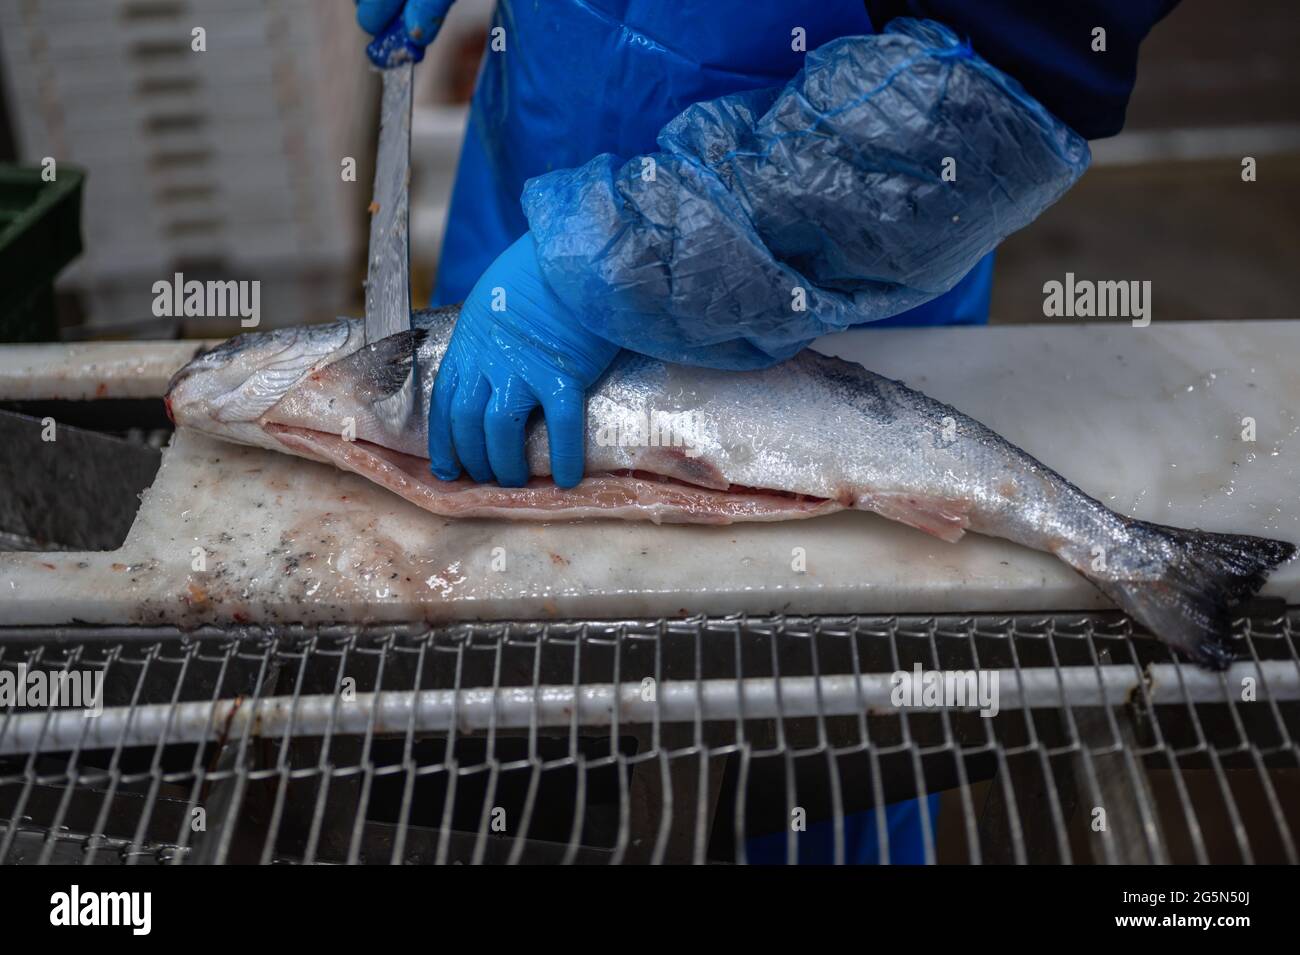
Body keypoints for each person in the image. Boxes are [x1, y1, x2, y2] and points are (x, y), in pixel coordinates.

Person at [357, 0, 1180, 863]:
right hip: (526, 204)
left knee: (819, 740)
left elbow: (1004, 67)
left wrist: (616, 264)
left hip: (829, 273)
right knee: (513, 721)